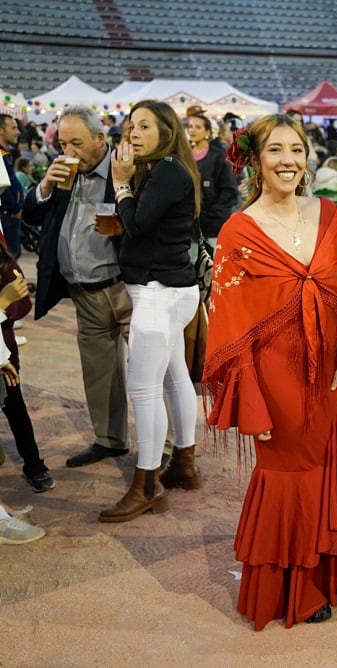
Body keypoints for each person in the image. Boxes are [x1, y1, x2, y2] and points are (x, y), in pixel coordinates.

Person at [203, 113, 337, 630]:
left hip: (328, 375)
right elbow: (229, 328)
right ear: (254, 159)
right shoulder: (237, 229)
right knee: (288, 477)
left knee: (327, 470)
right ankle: (290, 593)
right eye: (276, 150)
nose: (289, 161)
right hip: (273, 378)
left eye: (296, 150)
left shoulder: (329, 214)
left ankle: (329, 581)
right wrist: (250, 402)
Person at [99, 100, 201, 522]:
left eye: (144, 126)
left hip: (158, 294)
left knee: (144, 390)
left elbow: (137, 226)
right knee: (176, 377)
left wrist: (121, 185)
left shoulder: (167, 170)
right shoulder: (170, 169)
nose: (133, 133)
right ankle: (185, 464)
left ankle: (146, 485)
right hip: (171, 290)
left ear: (167, 130)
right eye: (130, 126)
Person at [22, 106, 135, 468]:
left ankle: (169, 447)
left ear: (100, 139)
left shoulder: (124, 169)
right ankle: (110, 439)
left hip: (127, 288)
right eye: (62, 142)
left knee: (153, 371)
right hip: (84, 293)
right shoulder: (62, 174)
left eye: (77, 143)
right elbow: (31, 215)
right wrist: (44, 186)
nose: (68, 151)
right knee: (99, 370)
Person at [0, 256, 51, 493]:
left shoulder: (4, 261)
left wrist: (5, 308)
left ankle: (33, 464)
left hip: (3, 348)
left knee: (14, 403)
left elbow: (22, 300)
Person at [185, 114, 237, 245]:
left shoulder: (218, 156)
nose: (192, 130)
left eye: (198, 127)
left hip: (213, 225)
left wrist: (215, 212)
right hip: (188, 225)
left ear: (207, 132)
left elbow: (229, 189)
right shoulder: (184, 156)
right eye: (190, 127)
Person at [0, 114, 24, 259]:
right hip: (6, 217)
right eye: (13, 127)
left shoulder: (6, 153)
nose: (18, 132)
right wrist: (14, 207)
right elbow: (3, 187)